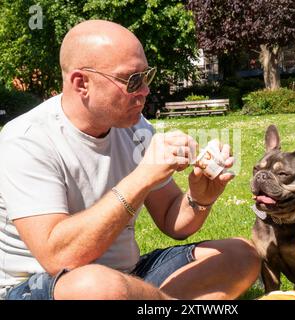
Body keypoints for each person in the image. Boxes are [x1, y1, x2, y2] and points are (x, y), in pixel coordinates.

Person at [0, 20, 260, 300]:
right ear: (81, 83)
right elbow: (59, 257)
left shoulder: (136, 129)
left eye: (146, 77)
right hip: (48, 285)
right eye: (132, 80)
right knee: (98, 288)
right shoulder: (26, 140)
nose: (145, 91)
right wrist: (143, 176)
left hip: (127, 275)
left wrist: (199, 198)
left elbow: (173, 221)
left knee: (241, 256)